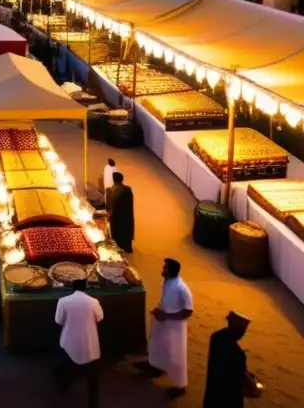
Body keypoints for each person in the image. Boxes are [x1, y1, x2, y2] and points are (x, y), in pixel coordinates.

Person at [143, 258, 194, 398]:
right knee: (158, 345)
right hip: (163, 322)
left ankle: (180, 386)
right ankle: (156, 366)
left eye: (165, 268)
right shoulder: (168, 281)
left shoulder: (181, 288)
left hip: (174, 328)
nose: (162, 270)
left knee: (175, 355)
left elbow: (188, 311)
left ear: (172, 271)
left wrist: (167, 316)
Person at [54, 278, 103, 407]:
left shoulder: (63, 301)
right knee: (92, 378)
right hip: (89, 343)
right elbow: (100, 318)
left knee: (68, 366)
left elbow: (58, 320)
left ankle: (63, 385)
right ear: (85, 288)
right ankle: (94, 404)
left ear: (73, 288)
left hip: (69, 342)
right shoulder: (94, 302)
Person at [204, 312, 256, 408]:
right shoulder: (238, 354)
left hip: (213, 392)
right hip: (228, 400)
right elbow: (241, 382)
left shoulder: (216, 337)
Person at [105, 171, 134, 253]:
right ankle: (127, 247)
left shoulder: (110, 191)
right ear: (122, 179)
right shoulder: (128, 189)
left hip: (115, 219)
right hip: (126, 217)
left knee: (116, 234)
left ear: (113, 180)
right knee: (126, 232)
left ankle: (118, 248)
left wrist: (109, 216)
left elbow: (108, 206)